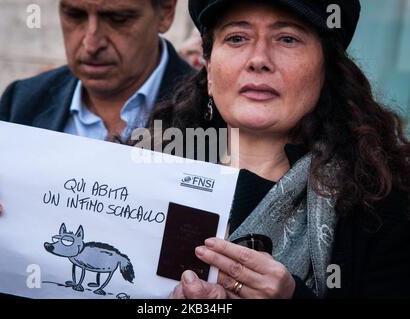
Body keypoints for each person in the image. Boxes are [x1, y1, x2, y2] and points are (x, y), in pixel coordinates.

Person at [152, 0, 410, 298]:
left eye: (288, 39)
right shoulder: (143, 175)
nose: (259, 59)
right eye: (237, 38)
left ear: (327, 69)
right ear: (209, 70)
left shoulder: (383, 209)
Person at [0, 0, 193, 297]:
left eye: (118, 18)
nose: (91, 41)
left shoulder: (215, 111)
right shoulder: (25, 101)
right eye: (74, 15)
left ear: (166, 13)